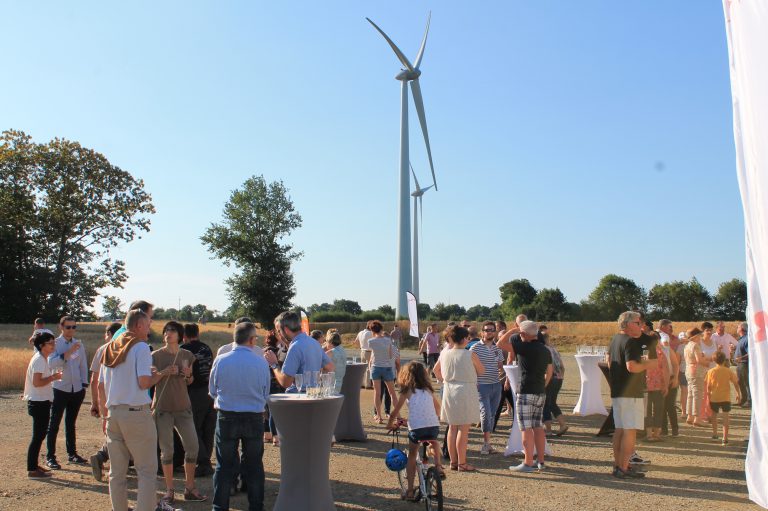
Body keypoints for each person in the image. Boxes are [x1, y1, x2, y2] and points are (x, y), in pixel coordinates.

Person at [98, 309, 177, 511]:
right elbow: (143, 383)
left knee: (117, 473)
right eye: (148, 324)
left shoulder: (110, 347)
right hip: (135, 413)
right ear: (139, 326)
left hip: (113, 413)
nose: (150, 329)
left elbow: (102, 384)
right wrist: (158, 375)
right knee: (146, 471)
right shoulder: (140, 347)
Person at [209, 321, 271, 511]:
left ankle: (219, 507)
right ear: (252, 340)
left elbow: (212, 390)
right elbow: (265, 392)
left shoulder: (221, 360)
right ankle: (256, 506)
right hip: (253, 416)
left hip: (227, 416)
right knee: (254, 466)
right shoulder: (261, 362)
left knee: (224, 465)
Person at [152, 321, 207, 503]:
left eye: (173, 331)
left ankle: (190, 488)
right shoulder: (155, 356)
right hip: (163, 409)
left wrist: (187, 375)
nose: (168, 333)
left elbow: (190, 381)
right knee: (167, 451)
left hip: (183, 408)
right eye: (166, 331)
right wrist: (163, 373)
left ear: (180, 335)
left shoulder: (187, 355)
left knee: (193, 447)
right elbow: (148, 381)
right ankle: (169, 491)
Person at [498, 320, 553, 473]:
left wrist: (511, 331)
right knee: (538, 427)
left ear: (524, 334)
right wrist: (544, 385)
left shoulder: (524, 347)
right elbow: (549, 371)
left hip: (526, 392)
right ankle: (540, 461)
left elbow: (500, 344)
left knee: (526, 429)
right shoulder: (545, 349)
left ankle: (528, 462)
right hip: (540, 391)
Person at [605, 311, 654, 479]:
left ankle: (618, 465)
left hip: (618, 391)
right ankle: (624, 467)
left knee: (620, 430)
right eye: (637, 322)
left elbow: (609, 362)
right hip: (631, 392)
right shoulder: (630, 342)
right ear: (626, 324)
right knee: (630, 431)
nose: (640, 325)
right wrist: (649, 364)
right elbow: (632, 367)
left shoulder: (615, 339)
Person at [387, 361, 444, 501]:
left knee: (412, 455)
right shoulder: (429, 390)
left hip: (417, 429)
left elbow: (395, 412)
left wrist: (390, 424)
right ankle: (438, 466)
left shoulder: (407, 391)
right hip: (432, 426)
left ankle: (410, 490)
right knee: (434, 441)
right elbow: (438, 410)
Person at [433, 325, 483, 472]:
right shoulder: (470, 354)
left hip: (449, 389)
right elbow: (481, 370)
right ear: (464, 339)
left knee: (452, 427)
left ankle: (453, 462)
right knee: (464, 428)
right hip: (466, 389)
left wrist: (444, 380)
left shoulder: (444, 353)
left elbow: (436, 370)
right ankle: (462, 463)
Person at [45, 315, 89, 469]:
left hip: (76, 389)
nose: (71, 330)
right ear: (61, 327)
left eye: (74, 327)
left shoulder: (79, 344)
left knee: (71, 423)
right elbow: (51, 363)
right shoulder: (55, 343)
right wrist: (67, 353)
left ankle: (72, 454)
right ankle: (50, 457)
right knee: (54, 423)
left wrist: (84, 384)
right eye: (68, 327)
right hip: (60, 388)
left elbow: (83, 364)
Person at [88, 321, 123, 481]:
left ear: (110, 334)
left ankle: (104, 457)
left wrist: (95, 403)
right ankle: (105, 459)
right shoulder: (127, 349)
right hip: (121, 401)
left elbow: (95, 380)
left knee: (114, 434)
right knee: (120, 435)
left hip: (107, 400)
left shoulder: (102, 350)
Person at [180, 323, 216, 477]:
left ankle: (203, 462)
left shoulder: (184, 350)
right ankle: (205, 459)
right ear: (198, 333)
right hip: (209, 391)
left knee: (193, 428)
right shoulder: (206, 348)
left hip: (194, 392)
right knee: (208, 429)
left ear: (184, 336)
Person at [265, 311, 334, 392]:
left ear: (286, 330)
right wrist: (315, 383)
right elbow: (330, 367)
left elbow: (285, 382)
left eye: (279, 331)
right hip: (314, 395)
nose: (279, 335)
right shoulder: (314, 342)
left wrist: (274, 365)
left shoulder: (295, 347)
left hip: (297, 398)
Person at [24, 330, 61, 478]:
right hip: (38, 402)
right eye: (50, 343)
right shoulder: (39, 359)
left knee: (39, 435)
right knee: (38, 436)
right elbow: (37, 382)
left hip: (41, 401)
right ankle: (32, 469)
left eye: (54, 342)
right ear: (41, 345)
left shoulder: (42, 358)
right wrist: (54, 377)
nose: (53, 345)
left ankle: (34, 465)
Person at [469, 321, 504, 454]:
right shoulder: (475, 348)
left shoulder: (497, 349)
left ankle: (488, 444)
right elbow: (470, 367)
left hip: (496, 384)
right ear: (482, 332)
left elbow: (500, 365)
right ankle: (486, 443)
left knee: (492, 414)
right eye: (487, 330)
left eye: (491, 330)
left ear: (495, 332)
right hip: (482, 386)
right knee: (486, 413)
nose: (489, 332)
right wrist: (475, 382)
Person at [706, 350, 741, 446]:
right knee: (726, 417)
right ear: (724, 360)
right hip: (725, 397)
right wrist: (738, 393)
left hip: (714, 397)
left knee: (714, 415)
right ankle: (725, 438)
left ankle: (715, 434)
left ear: (714, 360)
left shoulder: (711, 371)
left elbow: (708, 386)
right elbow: (735, 382)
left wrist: (708, 396)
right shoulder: (728, 370)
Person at [368, 321, 397, 423]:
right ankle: (397, 416)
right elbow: (389, 355)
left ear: (372, 330)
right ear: (381, 328)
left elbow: (373, 354)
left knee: (377, 393)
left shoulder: (371, 341)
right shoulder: (388, 340)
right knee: (392, 393)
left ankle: (379, 416)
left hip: (375, 368)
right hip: (387, 367)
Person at [541, 327, 568, 437]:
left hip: (549, 378)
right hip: (559, 378)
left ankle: (548, 429)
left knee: (546, 404)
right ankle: (562, 424)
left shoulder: (543, 350)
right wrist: (561, 377)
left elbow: (546, 368)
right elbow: (562, 366)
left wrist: (545, 381)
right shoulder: (554, 349)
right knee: (552, 403)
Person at [657, 320, 680, 437]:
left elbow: (675, 364)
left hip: (670, 378)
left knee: (670, 405)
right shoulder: (653, 351)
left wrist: (675, 378)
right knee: (661, 405)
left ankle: (675, 429)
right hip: (659, 380)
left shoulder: (667, 348)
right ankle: (664, 429)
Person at [644, 337, 670, 442]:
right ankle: (657, 434)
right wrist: (666, 385)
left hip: (646, 385)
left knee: (647, 410)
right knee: (658, 410)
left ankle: (649, 434)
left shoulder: (644, 353)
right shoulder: (661, 353)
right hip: (659, 385)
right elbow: (666, 370)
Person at [263, 329, 286, 445]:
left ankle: (267, 434)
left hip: (265, 383)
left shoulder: (262, 351)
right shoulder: (278, 352)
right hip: (276, 383)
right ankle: (276, 436)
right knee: (274, 410)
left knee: (266, 408)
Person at [684, 328, 708, 427]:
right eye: (700, 335)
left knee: (690, 394)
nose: (701, 337)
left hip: (688, 370)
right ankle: (697, 418)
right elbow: (699, 360)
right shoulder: (695, 346)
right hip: (696, 371)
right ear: (696, 336)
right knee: (698, 394)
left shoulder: (687, 346)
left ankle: (689, 416)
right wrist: (707, 363)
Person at [494, 320, 514, 429]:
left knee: (500, 403)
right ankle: (492, 425)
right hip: (502, 378)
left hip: (506, 378)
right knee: (500, 403)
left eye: (503, 336)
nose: (501, 338)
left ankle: (492, 425)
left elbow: (500, 365)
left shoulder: (507, 348)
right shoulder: (499, 348)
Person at [734, 322, 750, 407]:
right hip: (739, 364)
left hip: (744, 364)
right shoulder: (741, 339)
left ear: (741, 329)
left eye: (738, 327)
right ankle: (744, 399)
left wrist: (741, 358)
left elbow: (750, 352)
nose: (737, 328)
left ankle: (749, 401)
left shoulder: (747, 338)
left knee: (746, 383)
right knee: (740, 382)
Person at [325, 329, 346, 394]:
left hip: (332, 382)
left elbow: (319, 362)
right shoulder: (342, 349)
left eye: (326, 342)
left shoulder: (331, 352)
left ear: (330, 342)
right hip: (340, 381)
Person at [355, 321, 374, 389]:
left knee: (362, 368)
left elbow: (356, 342)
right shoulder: (371, 333)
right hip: (369, 351)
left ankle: (361, 383)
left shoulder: (360, 332)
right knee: (368, 368)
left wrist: (361, 347)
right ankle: (368, 384)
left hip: (362, 351)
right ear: (369, 326)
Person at [676, 331, 689, 418]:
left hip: (683, 371)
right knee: (688, 392)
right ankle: (687, 411)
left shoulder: (680, 347)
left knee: (684, 392)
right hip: (690, 371)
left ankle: (684, 412)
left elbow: (677, 362)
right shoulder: (693, 345)